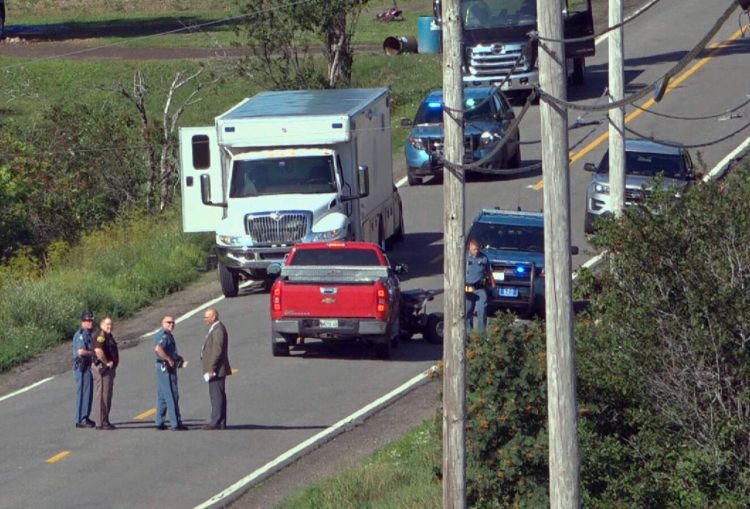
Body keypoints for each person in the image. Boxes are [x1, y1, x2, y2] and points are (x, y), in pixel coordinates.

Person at [154, 316, 187, 431]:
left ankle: (159, 421)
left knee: (162, 395)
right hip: (165, 368)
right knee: (172, 395)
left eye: (173, 322)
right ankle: (176, 422)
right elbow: (158, 349)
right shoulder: (163, 334)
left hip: (163, 366)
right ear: (163, 323)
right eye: (168, 322)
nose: (171, 324)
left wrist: (177, 358)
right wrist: (169, 359)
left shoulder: (168, 334)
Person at [200, 307, 231, 430]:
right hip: (215, 368)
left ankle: (216, 421)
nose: (205, 320)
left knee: (216, 395)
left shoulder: (218, 330)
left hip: (216, 370)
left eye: (207, 317)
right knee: (217, 394)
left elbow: (217, 351)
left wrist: (211, 367)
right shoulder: (215, 328)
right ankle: (220, 420)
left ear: (214, 317)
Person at [92, 315, 119, 430]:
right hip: (103, 368)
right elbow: (98, 351)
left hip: (108, 369)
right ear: (101, 325)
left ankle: (104, 419)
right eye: (107, 324)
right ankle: (101, 422)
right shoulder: (101, 336)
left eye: (111, 324)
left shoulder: (108, 335)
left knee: (107, 395)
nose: (109, 326)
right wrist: (107, 362)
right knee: (103, 394)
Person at [465, 239, 496, 332]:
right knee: (468, 312)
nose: (476, 251)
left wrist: (493, 285)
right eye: (474, 249)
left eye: (477, 249)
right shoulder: (465, 258)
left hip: (480, 289)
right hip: (468, 288)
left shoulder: (483, 258)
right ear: (469, 248)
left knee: (482, 311)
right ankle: (468, 335)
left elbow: (489, 272)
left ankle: (481, 336)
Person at [73, 309, 96, 429]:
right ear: (82, 321)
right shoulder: (81, 334)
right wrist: (93, 353)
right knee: (82, 393)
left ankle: (85, 416)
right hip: (81, 367)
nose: (90, 323)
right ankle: (80, 419)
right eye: (87, 320)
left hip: (88, 366)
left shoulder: (90, 333)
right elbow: (81, 351)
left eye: (91, 320)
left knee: (88, 393)